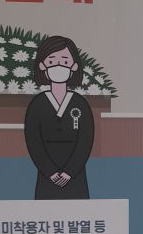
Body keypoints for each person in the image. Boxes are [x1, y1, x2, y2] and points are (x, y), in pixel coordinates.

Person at [24, 36, 94, 199]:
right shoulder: (37, 104)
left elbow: (85, 142)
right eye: (51, 61)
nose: (58, 66)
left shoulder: (80, 104)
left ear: (74, 66)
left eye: (64, 61)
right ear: (42, 65)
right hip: (46, 177)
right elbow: (34, 142)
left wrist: (69, 172)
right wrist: (50, 172)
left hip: (76, 176)